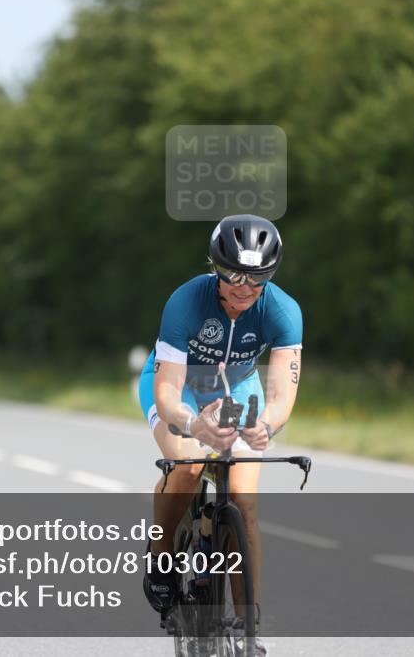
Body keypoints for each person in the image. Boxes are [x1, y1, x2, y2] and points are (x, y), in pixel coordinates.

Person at [139, 214, 303, 654]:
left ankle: (249, 629)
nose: (244, 288)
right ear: (215, 267)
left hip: (237, 385)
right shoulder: (185, 302)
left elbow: (282, 393)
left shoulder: (284, 311)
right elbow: (169, 392)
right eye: (233, 276)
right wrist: (194, 425)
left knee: (245, 505)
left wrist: (266, 425)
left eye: (258, 278)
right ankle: (161, 560)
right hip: (181, 386)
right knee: (190, 464)